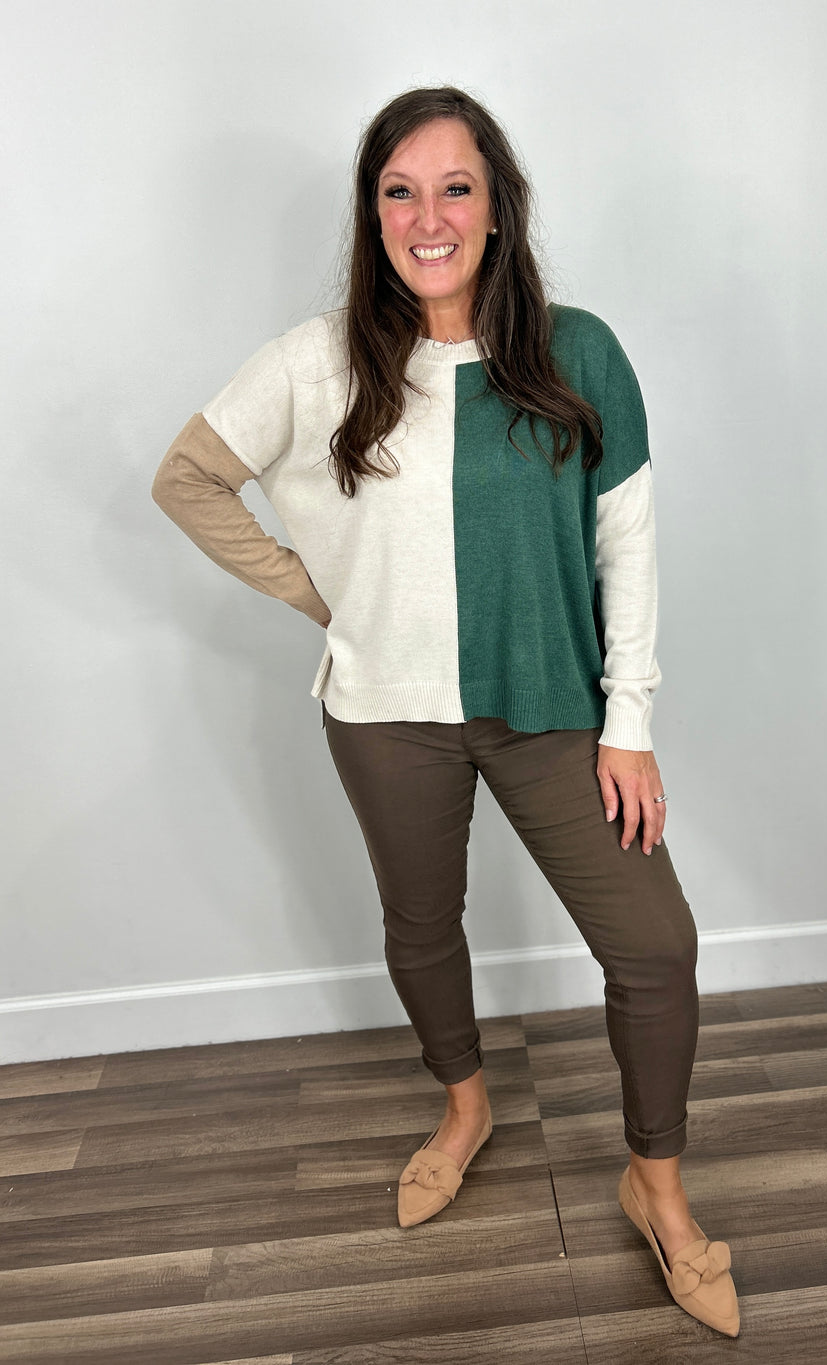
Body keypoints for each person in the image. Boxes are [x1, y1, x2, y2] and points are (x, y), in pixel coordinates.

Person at [152, 86, 740, 1338]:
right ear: (371, 216)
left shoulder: (578, 350)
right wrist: (322, 595)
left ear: (497, 206)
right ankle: (464, 1104)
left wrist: (625, 719)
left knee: (654, 945)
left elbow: (625, 543)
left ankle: (656, 1184)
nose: (428, 216)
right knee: (423, 925)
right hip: (384, 714)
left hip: (552, 713)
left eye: (454, 187)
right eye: (399, 191)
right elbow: (189, 478)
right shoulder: (315, 361)